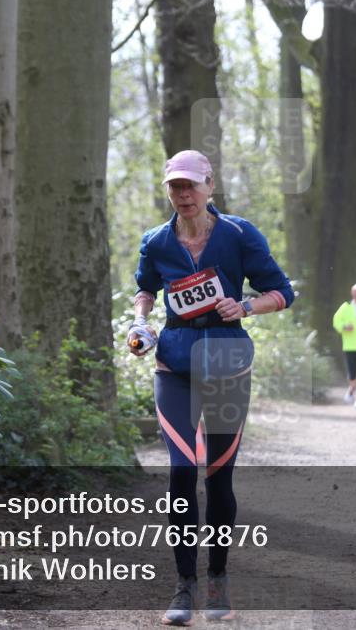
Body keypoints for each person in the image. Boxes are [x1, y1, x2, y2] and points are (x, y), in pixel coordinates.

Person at [127, 149, 294, 624]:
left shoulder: (240, 235)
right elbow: (145, 289)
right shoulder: (156, 241)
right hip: (175, 365)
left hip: (227, 362)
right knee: (182, 471)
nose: (183, 195)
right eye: (174, 187)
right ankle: (184, 588)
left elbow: (282, 292)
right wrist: (141, 325)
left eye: (190, 186)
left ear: (208, 186)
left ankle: (218, 579)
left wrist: (244, 307)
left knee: (218, 478)